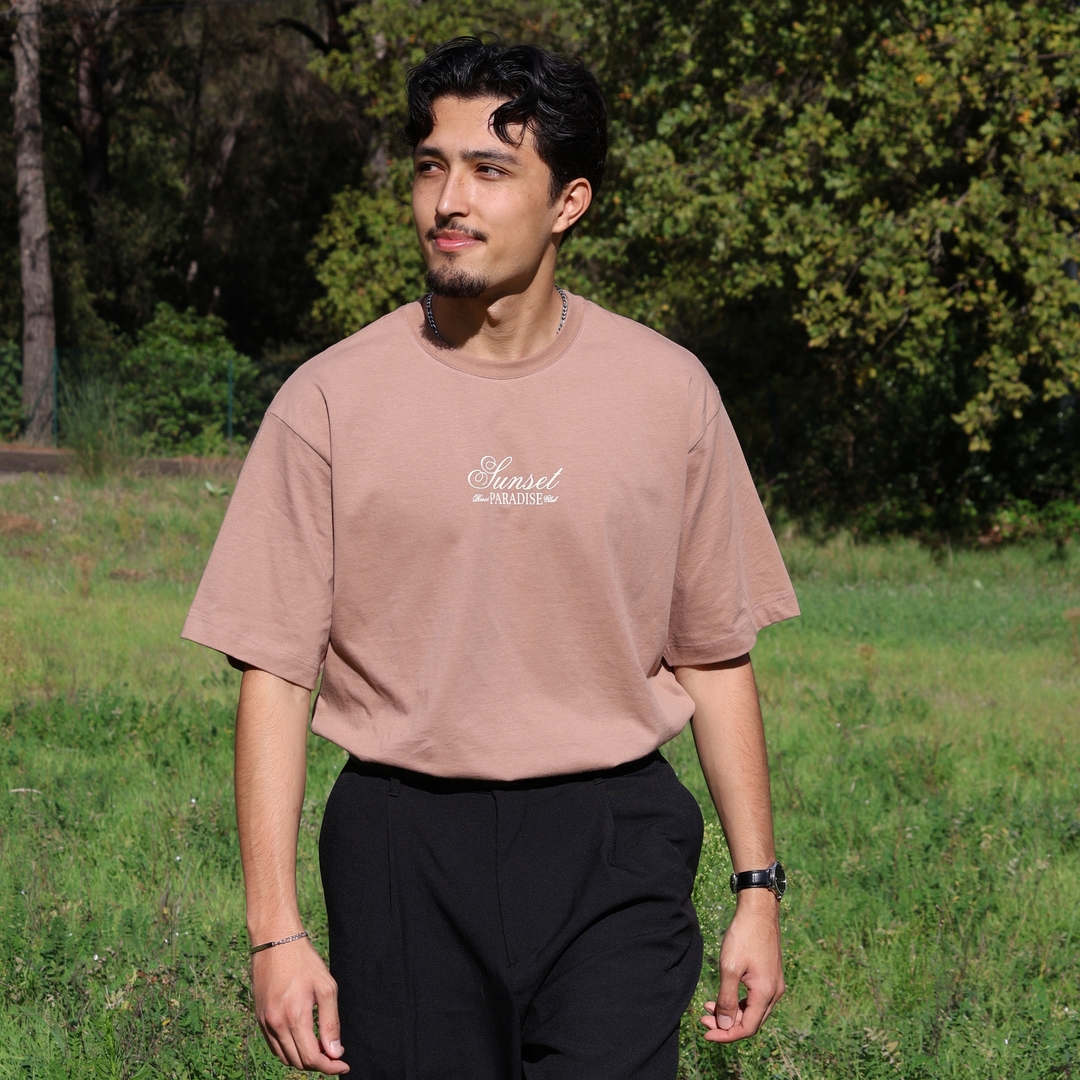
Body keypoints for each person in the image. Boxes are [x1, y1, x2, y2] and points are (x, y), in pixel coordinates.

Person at [182, 36, 799, 1079]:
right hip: (402, 844)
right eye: (432, 167)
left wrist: (758, 890)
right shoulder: (329, 401)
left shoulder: (667, 393)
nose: (449, 201)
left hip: (615, 842)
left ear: (569, 203)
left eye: (490, 169)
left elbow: (713, 652)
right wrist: (274, 932)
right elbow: (277, 677)